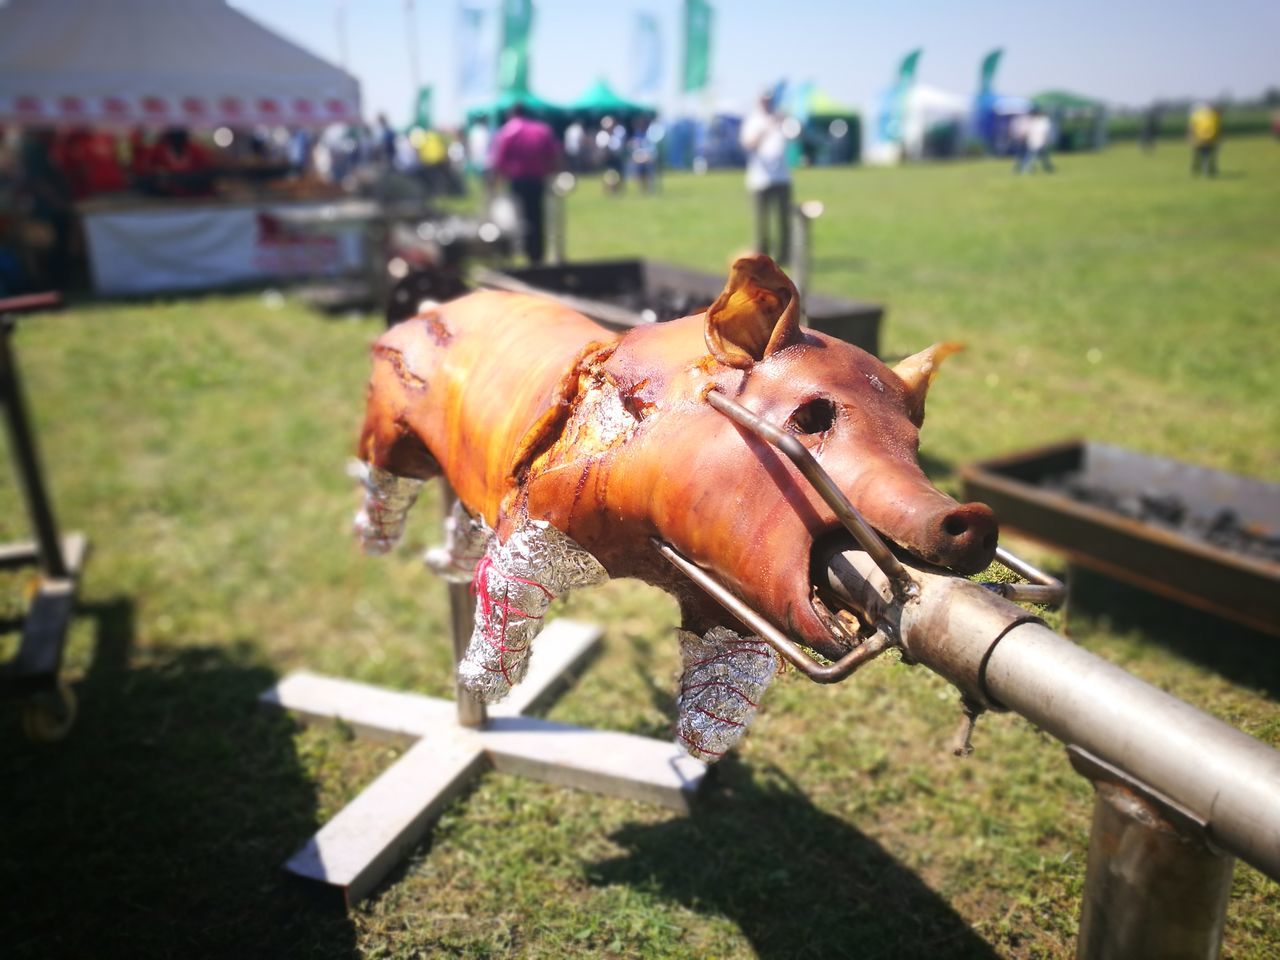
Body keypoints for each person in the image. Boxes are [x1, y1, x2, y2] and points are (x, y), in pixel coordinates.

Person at [490, 102, 560, 264]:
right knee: (537, 217)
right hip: (537, 180)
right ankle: (537, 254)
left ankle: (520, 250)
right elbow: (553, 155)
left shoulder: (507, 132)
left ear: (511, 114)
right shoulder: (541, 130)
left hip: (518, 181)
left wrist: (494, 181)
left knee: (518, 218)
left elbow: (499, 161)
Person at [739, 89, 792, 265]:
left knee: (784, 219)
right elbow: (749, 144)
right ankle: (762, 258)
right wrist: (767, 128)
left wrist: (784, 120)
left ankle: (785, 256)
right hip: (760, 179)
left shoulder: (780, 118)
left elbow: (795, 134)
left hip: (781, 177)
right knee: (762, 223)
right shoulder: (753, 120)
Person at [1018, 106, 1055, 174]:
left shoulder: (1043, 120)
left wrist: (1045, 140)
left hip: (1039, 141)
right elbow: (1028, 131)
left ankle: (1026, 168)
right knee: (1032, 155)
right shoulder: (1032, 121)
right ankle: (1026, 168)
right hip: (1033, 141)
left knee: (1036, 155)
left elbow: (1045, 132)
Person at [1189, 102, 1221, 177]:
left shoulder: (1197, 115)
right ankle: (1208, 169)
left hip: (1199, 138)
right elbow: (1218, 128)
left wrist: (1190, 136)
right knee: (1208, 155)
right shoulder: (1214, 116)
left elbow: (1192, 127)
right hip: (1210, 138)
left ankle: (1200, 168)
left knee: (1201, 154)